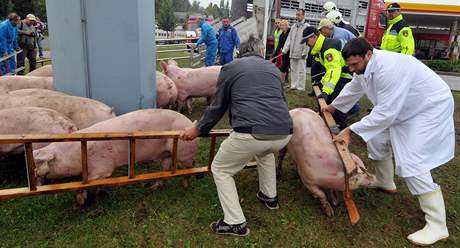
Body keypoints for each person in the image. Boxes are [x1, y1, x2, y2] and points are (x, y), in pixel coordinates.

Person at [323, 38, 454, 246]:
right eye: (348, 65)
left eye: (355, 64)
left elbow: (386, 113)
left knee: (413, 160)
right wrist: (334, 106)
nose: (352, 69)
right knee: (376, 137)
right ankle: (385, 181)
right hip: (402, 108)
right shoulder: (363, 68)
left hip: (428, 108)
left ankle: (437, 225)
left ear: (369, 54)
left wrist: (350, 130)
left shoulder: (389, 69)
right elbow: (355, 86)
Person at [180, 36, 293, 237]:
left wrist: (197, 129)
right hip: (284, 132)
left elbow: (217, 106)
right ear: (260, 52)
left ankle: (235, 222)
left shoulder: (230, 67)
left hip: (252, 132)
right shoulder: (273, 69)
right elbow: (282, 101)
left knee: (221, 169)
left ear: (240, 52)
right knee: (266, 153)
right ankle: (270, 196)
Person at [301, 26, 352, 129]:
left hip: (344, 77)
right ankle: (327, 125)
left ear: (314, 37)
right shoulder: (321, 47)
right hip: (339, 76)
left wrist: (326, 91)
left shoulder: (328, 49)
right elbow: (327, 70)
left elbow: (334, 70)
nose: (307, 44)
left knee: (336, 104)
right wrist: (320, 83)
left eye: (307, 41)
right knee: (329, 104)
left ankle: (339, 129)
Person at [282, 9, 310, 90]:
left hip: (301, 52)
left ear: (303, 15)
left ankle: (301, 87)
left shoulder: (306, 26)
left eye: (299, 15)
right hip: (293, 52)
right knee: (293, 70)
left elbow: (308, 41)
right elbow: (289, 39)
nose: (297, 16)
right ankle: (294, 85)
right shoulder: (293, 26)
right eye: (296, 14)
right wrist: (284, 50)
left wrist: (305, 52)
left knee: (301, 71)